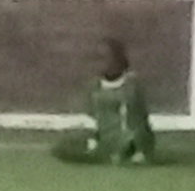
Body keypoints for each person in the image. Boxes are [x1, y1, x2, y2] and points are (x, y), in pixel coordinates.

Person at [56, 35, 159, 165]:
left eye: (104, 58)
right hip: (106, 141)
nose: (99, 63)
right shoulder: (94, 86)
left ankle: (123, 154)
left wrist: (131, 146)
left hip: (129, 141)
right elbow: (92, 119)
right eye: (96, 58)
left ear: (118, 60)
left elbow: (134, 123)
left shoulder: (131, 85)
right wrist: (92, 139)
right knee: (65, 146)